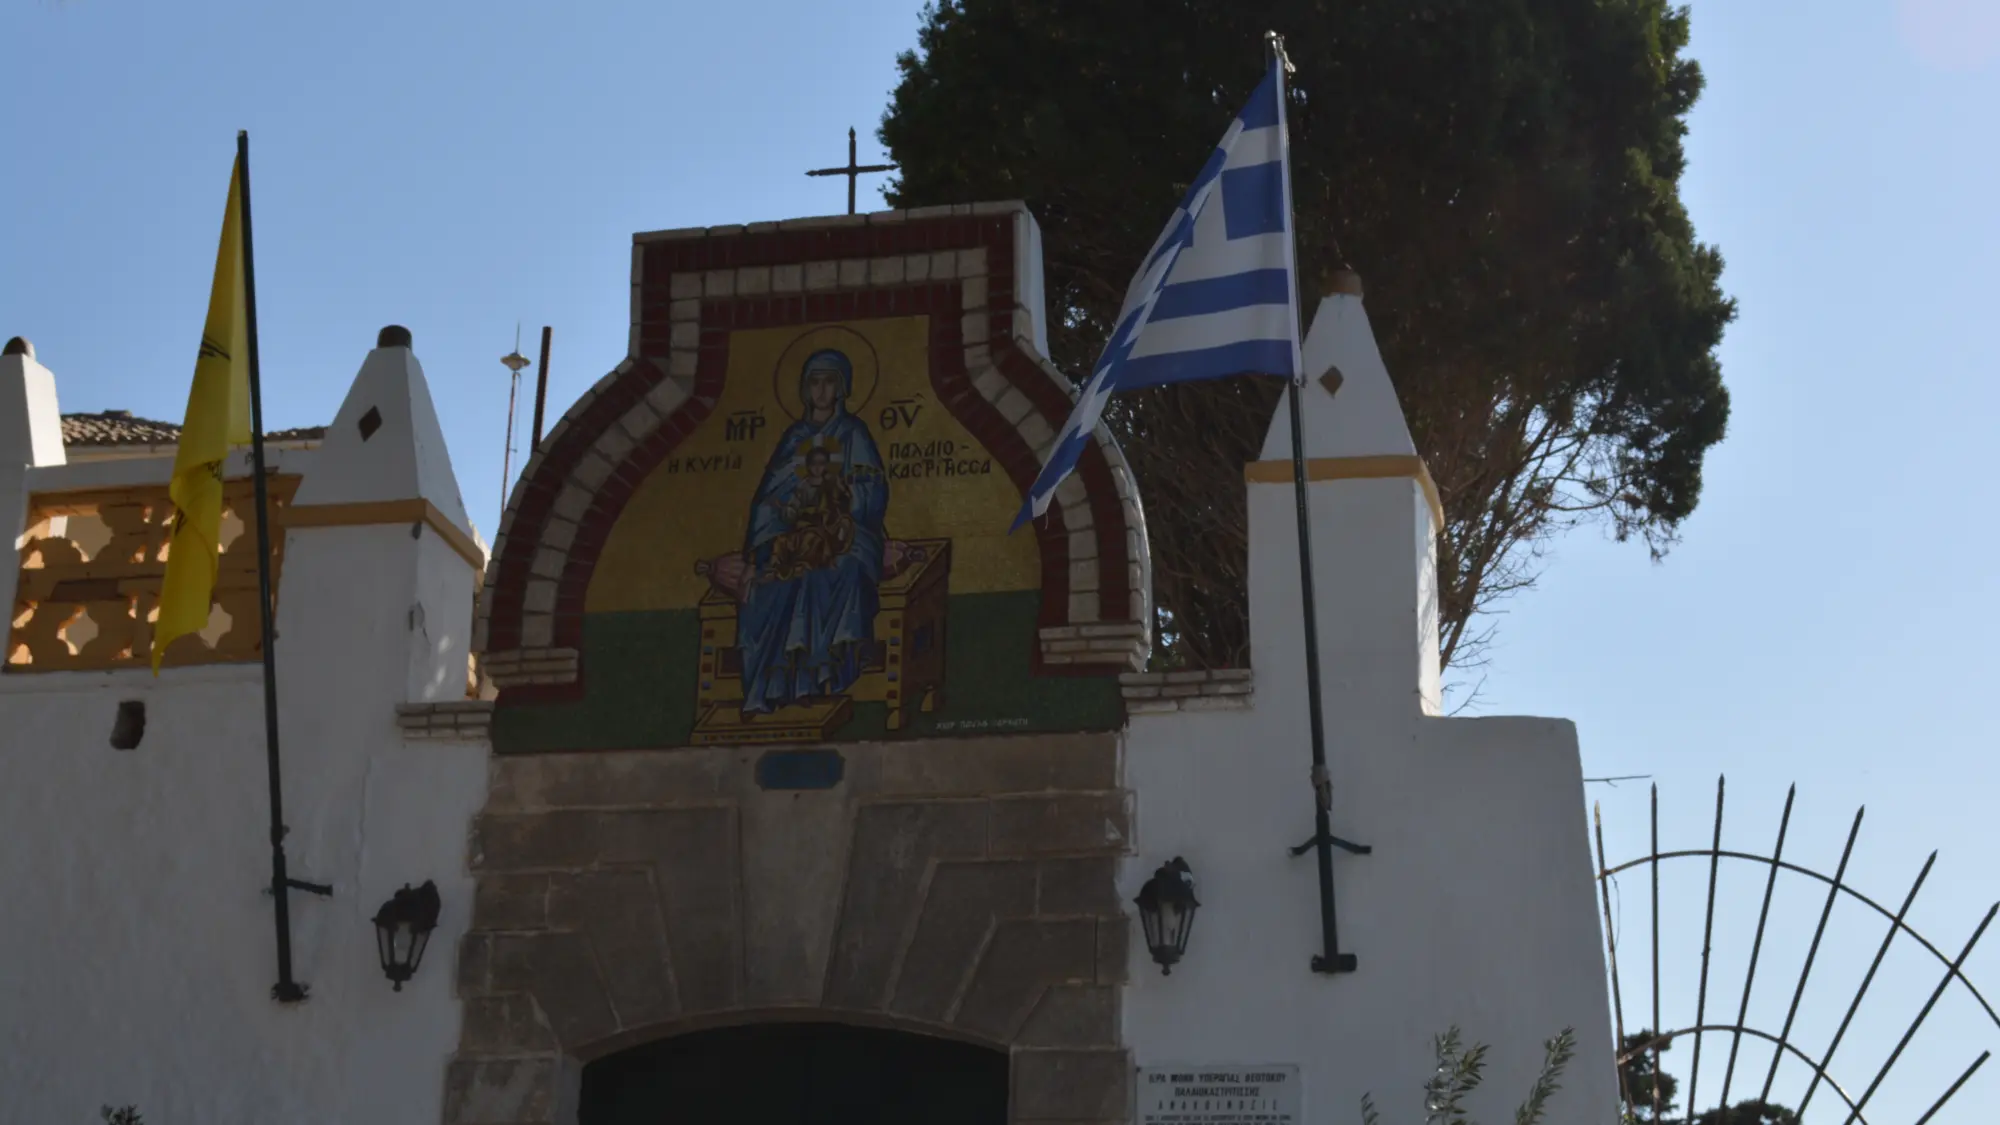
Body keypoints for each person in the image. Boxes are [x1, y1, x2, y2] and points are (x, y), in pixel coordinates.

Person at [736, 348, 887, 715]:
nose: (821, 391)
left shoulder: (853, 434)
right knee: (769, 585)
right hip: (795, 538)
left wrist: (847, 496)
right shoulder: (794, 439)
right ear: (805, 389)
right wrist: (763, 548)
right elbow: (768, 498)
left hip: (844, 534)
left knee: (840, 571)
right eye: (814, 382)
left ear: (842, 388)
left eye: (829, 382)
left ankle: (822, 677)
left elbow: (873, 489)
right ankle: (776, 686)